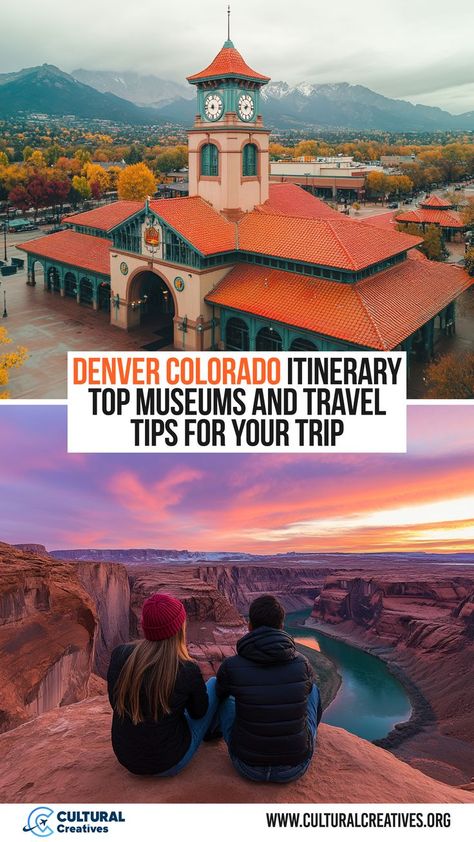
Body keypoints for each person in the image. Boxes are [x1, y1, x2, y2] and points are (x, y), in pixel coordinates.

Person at [107, 592, 219, 776]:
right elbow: (199, 712)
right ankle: (215, 733)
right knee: (214, 683)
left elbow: (116, 703)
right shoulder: (186, 669)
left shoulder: (120, 655)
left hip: (126, 757)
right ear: (179, 628)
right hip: (169, 761)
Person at [216, 594, 321, 783]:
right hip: (295, 767)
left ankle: (211, 735)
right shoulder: (302, 663)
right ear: (282, 625)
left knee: (223, 695)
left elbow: (219, 698)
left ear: (249, 626)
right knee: (313, 690)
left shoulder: (231, 665)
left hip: (247, 765)